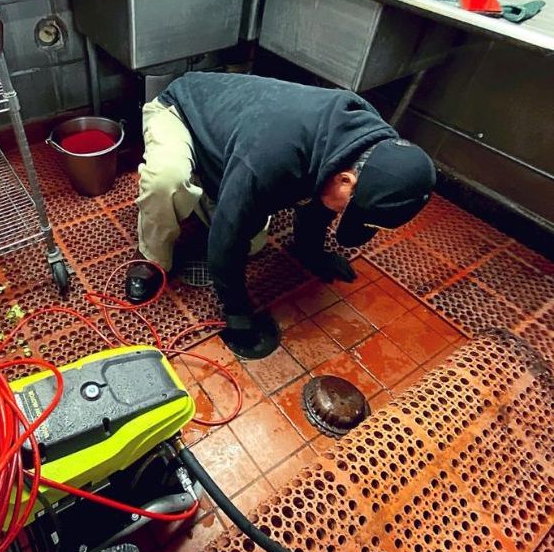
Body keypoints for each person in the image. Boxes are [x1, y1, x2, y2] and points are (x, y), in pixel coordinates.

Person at [125, 72, 436, 359]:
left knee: (254, 243)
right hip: (181, 110)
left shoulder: (372, 144)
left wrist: (312, 253)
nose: (344, 215)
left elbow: (317, 196)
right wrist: (237, 313)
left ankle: (209, 184)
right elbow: (227, 235)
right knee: (168, 179)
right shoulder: (273, 158)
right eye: (348, 211)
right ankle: (151, 256)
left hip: (237, 140)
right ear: (345, 180)